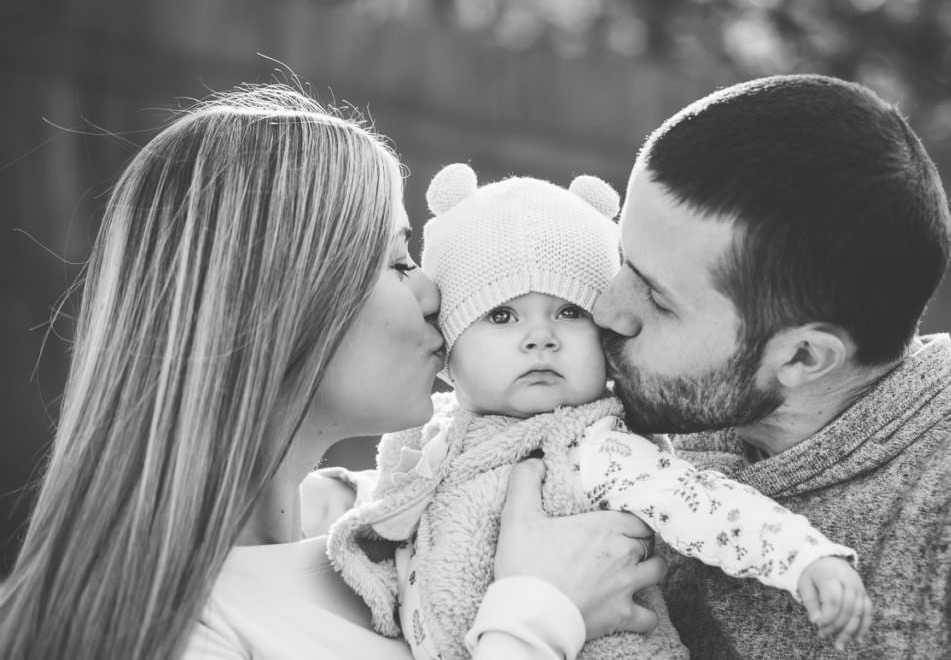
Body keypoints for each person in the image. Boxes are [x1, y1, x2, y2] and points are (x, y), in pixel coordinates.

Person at [0, 85, 666, 660]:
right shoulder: (170, 630)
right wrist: (539, 613)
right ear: (283, 303)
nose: (434, 293)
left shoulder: (388, 521)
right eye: (399, 262)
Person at [320, 163, 871, 660]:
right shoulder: (431, 441)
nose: (540, 338)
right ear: (448, 347)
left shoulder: (599, 446)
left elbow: (707, 507)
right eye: (502, 317)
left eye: (568, 311)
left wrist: (804, 558)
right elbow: (387, 513)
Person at [593, 73, 951, 658]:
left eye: (658, 298)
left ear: (802, 356)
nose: (605, 308)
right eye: (622, 259)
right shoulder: (619, 412)